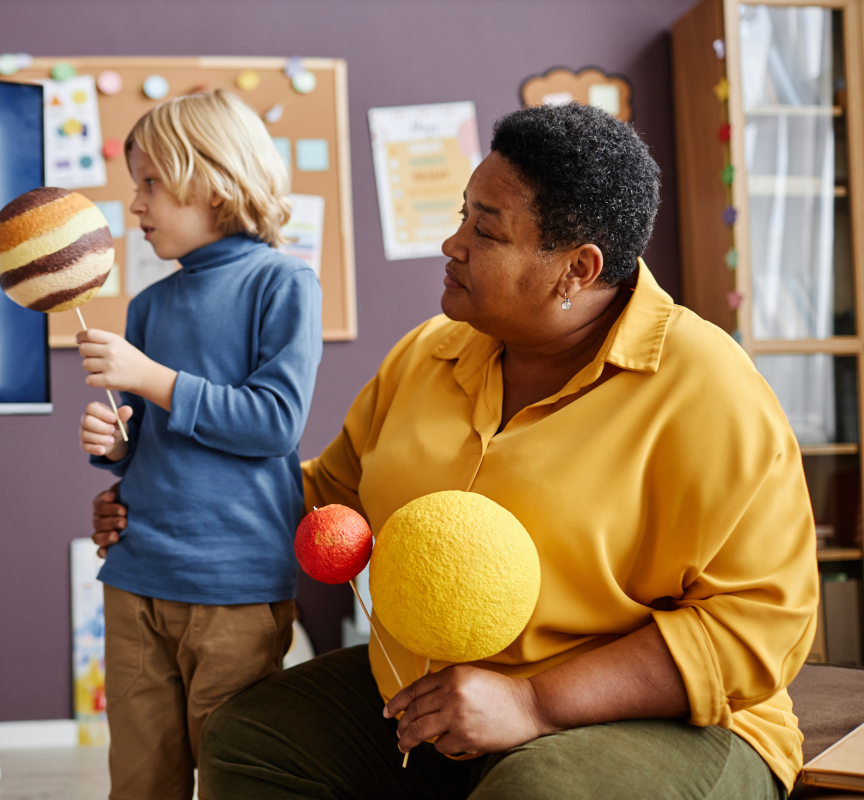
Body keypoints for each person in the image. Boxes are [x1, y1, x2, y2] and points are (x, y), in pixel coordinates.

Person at [94, 103, 820, 799]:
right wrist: (163, 497)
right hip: (433, 697)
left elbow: (759, 625)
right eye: (461, 214)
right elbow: (325, 494)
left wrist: (535, 701)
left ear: (578, 268)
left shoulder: (707, 385)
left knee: (540, 790)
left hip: (667, 719)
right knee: (249, 739)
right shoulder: (428, 353)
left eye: (487, 230)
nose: (453, 243)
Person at [77, 88, 322, 800]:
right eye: (136, 186)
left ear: (213, 181)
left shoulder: (284, 283)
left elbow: (274, 422)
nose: (137, 204)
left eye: (151, 182)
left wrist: (151, 378)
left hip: (234, 588)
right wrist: (114, 448)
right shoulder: (148, 304)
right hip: (136, 577)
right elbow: (149, 434)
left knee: (230, 774)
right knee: (139, 777)